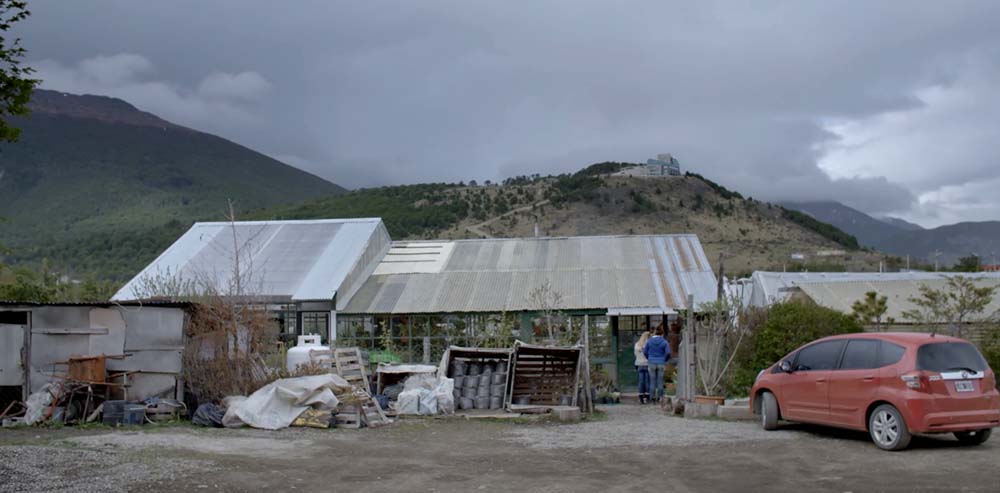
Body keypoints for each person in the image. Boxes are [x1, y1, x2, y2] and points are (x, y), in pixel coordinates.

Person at [643, 325, 671, 403]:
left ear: (655, 333)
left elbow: (645, 351)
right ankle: (660, 398)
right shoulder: (664, 342)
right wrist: (665, 359)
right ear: (662, 334)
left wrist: (649, 358)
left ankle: (652, 398)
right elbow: (668, 352)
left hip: (651, 362)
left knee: (652, 381)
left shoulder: (649, 341)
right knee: (660, 380)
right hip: (661, 362)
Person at [634, 331, 651, 404]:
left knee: (641, 381)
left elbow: (635, 354)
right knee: (647, 381)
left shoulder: (637, 345)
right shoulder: (648, 345)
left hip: (639, 364)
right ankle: (647, 397)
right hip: (647, 364)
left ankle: (641, 396)